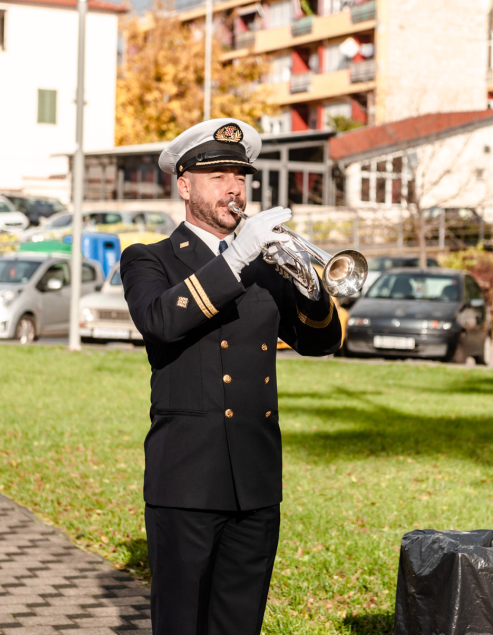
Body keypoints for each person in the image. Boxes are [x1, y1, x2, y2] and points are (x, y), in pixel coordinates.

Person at [120, 119, 342, 635]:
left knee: (240, 625)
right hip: (187, 480)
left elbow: (321, 342)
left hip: (256, 479)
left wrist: (310, 283)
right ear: (184, 184)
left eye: (241, 175)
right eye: (218, 175)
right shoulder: (150, 259)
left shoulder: (266, 264)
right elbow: (160, 320)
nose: (234, 187)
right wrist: (237, 257)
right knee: (182, 624)